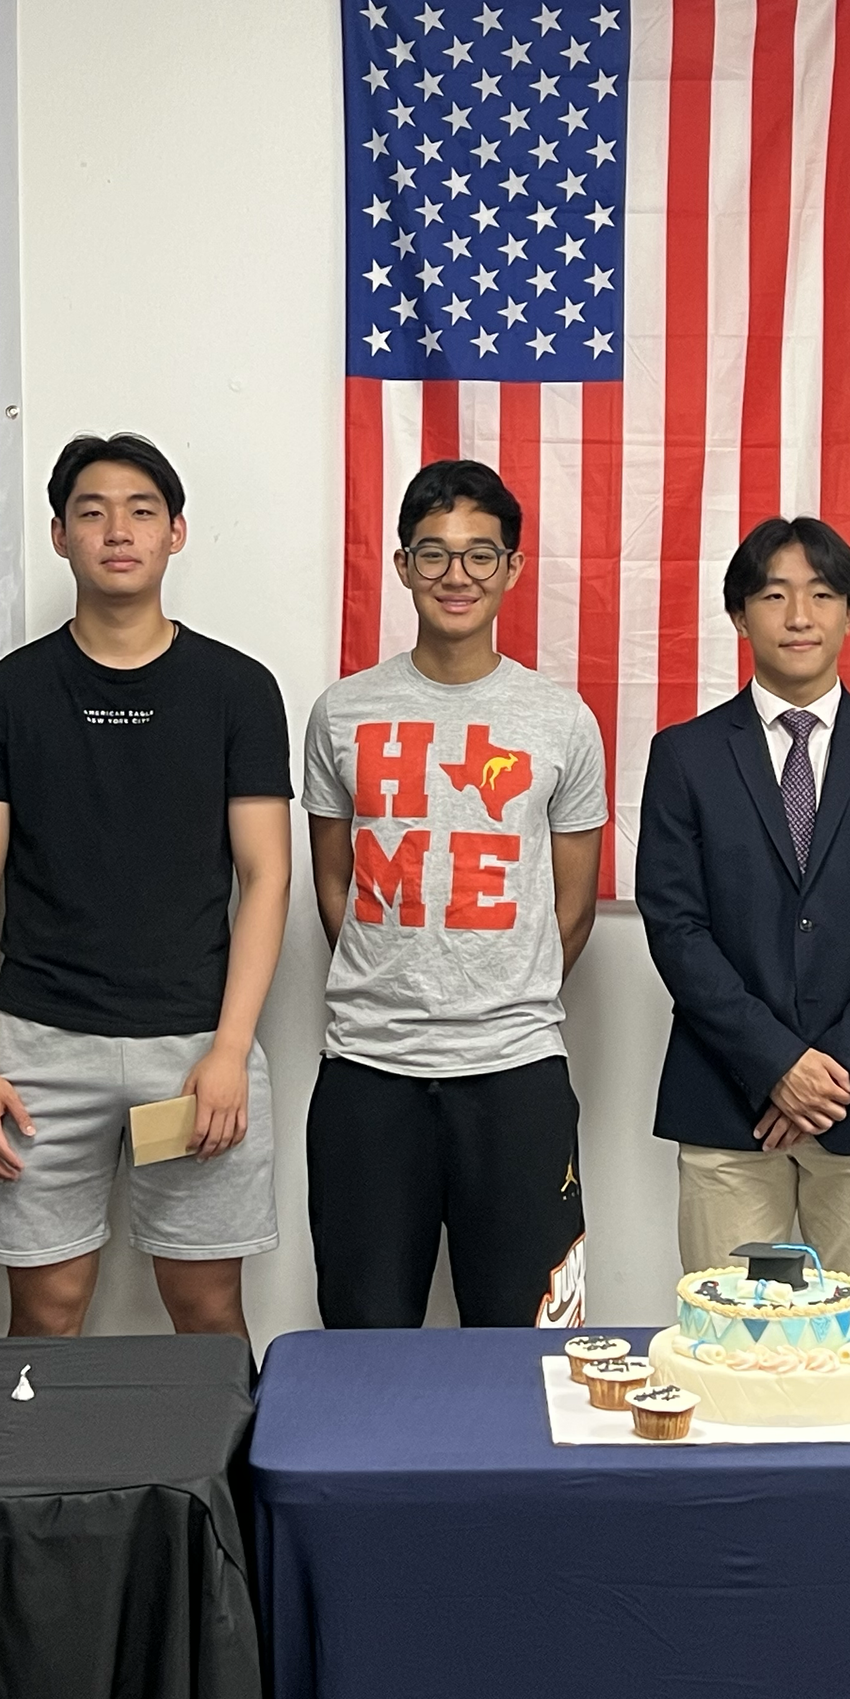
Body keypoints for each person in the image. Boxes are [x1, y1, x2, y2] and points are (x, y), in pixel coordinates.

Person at [0, 434, 292, 1339]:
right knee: (46, 1309)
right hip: (40, 1049)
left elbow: (266, 876)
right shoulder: (3, 696)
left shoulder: (238, 688)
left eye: (141, 511)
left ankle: (213, 1454)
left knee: (206, 1307)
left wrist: (230, 1048)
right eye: (92, 512)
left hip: (196, 1045)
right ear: (61, 535)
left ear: (177, 532)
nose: (118, 531)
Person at [302, 458, 608, 1328]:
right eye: (433, 553)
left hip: (516, 1072)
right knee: (363, 1335)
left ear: (512, 568)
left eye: (481, 554)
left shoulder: (562, 719)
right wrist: (396, 977)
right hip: (368, 1071)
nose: (456, 575)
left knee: (530, 1339)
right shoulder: (341, 712)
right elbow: (334, 883)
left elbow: (574, 909)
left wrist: (498, 987)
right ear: (403, 565)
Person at [636, 517, 850, 1324]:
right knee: (727, 1335)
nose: (800, 616)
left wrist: (831, 1069)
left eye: (821, 594)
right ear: (739, 615)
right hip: (725, 1097)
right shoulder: (685, 755)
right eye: (774, 595)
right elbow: (675, 925)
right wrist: (776, 1061)